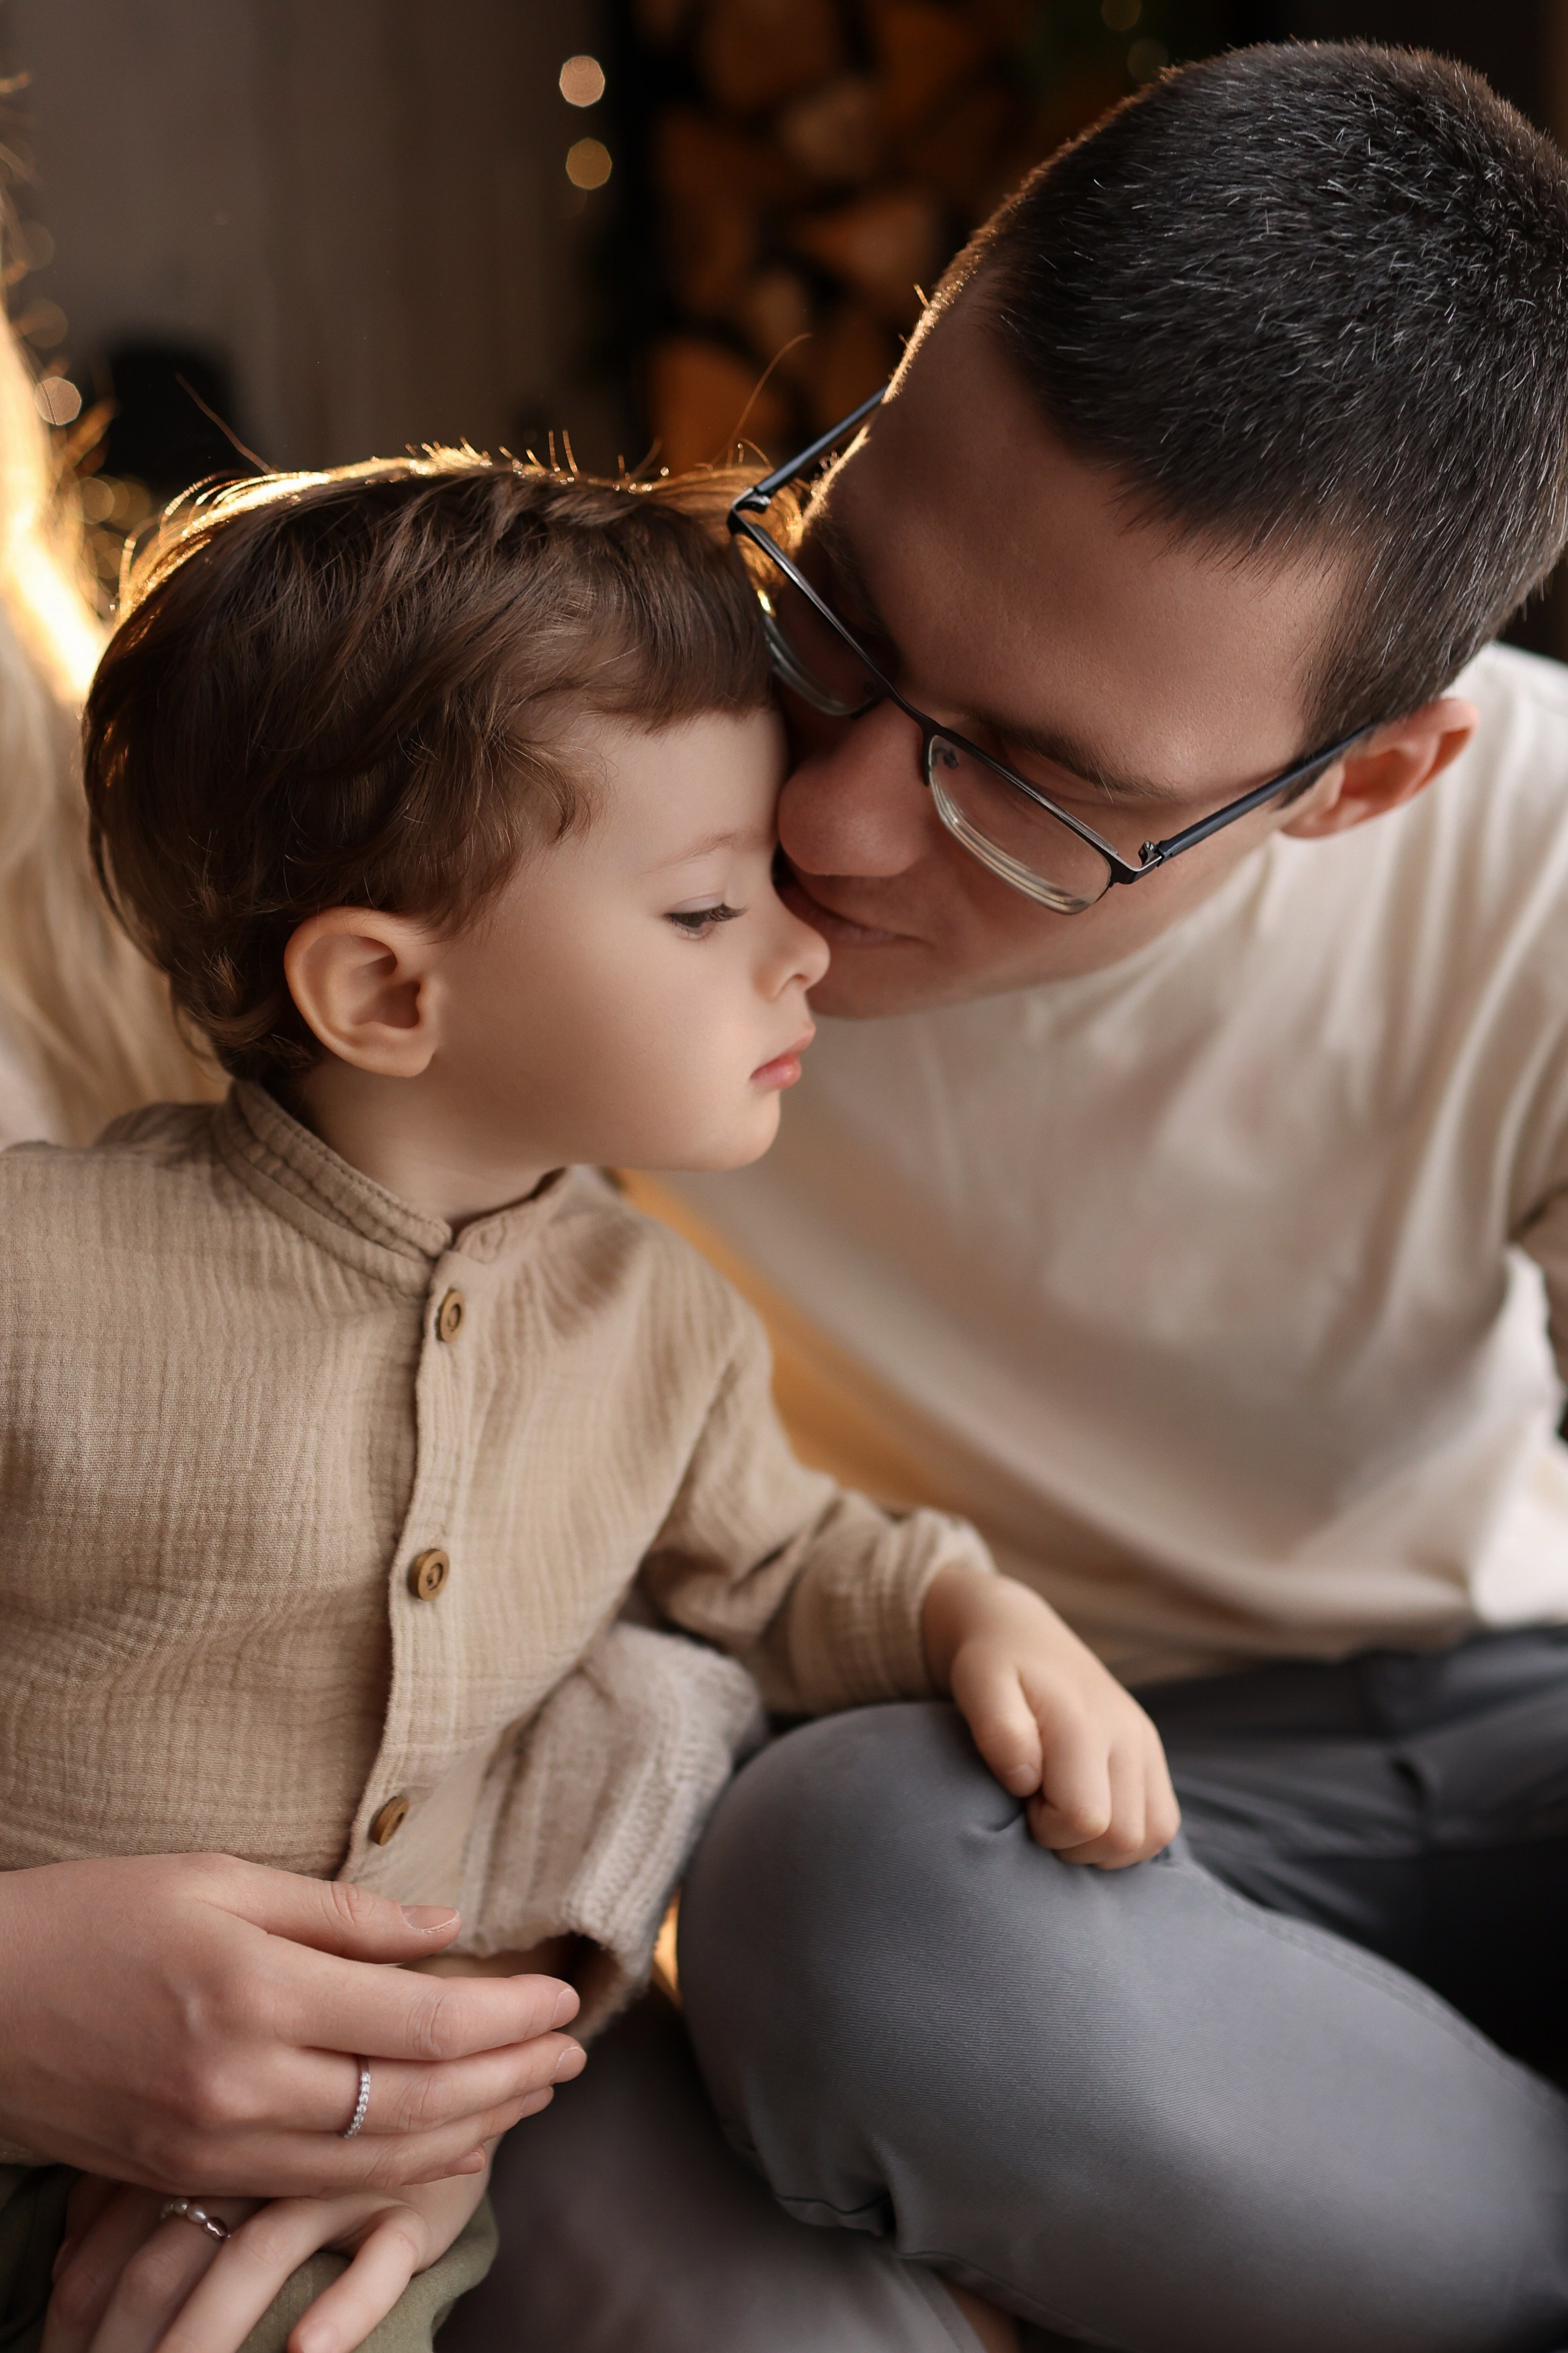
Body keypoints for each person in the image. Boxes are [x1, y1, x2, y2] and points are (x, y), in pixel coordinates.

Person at [444, 40, 1568, 2353]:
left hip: (1495, 1737)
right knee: (755, 1966)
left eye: (1035, 784)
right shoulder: (546, 773)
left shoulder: (1537, 865)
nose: (836, 822)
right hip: (934, 1800)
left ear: (1365, 780)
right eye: (845, 603)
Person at [8, 449, 1172, 2353]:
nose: (804, 945)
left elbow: (788, 1565)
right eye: (709, 910)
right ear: (387, 994)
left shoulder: (664, 1324)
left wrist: (974, 1608)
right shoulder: (41, 1272)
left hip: (333, 2187)